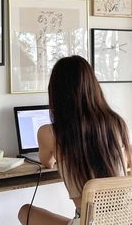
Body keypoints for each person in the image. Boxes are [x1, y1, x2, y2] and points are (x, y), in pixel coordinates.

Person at [18, 55, 131, 225]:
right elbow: (127, 161)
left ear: (56, 93)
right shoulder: (116, 123)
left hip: (87, 222)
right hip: (124, 219)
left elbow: (47, 162)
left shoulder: (50, 132)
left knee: (25, 212)